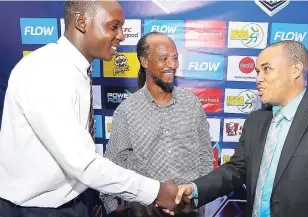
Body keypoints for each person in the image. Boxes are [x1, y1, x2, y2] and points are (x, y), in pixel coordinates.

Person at [166, 40, 308, 217]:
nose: (258, 79)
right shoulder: (255, 120)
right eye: (256, 71)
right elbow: (236, 170)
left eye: (266, 69)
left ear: (295, 70)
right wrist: (194, 189)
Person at [0, 1, 179, 217]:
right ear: (81, 22)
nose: (122, 36)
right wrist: (155, 191)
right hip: (38, 210)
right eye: (114, 27)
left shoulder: (76, 70)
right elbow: (83, 164)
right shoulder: (45, 72)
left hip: (74, 201)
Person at [99, 32, 213, 217]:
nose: (173, 64)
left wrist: (202, 198)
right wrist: (112, 208)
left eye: (175, 58)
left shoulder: (191, 103)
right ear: (144, 62)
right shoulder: (127, 111)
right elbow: (113, 164)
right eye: (164, 58)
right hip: (145, 209)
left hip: (189, 208)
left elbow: (205, 156)